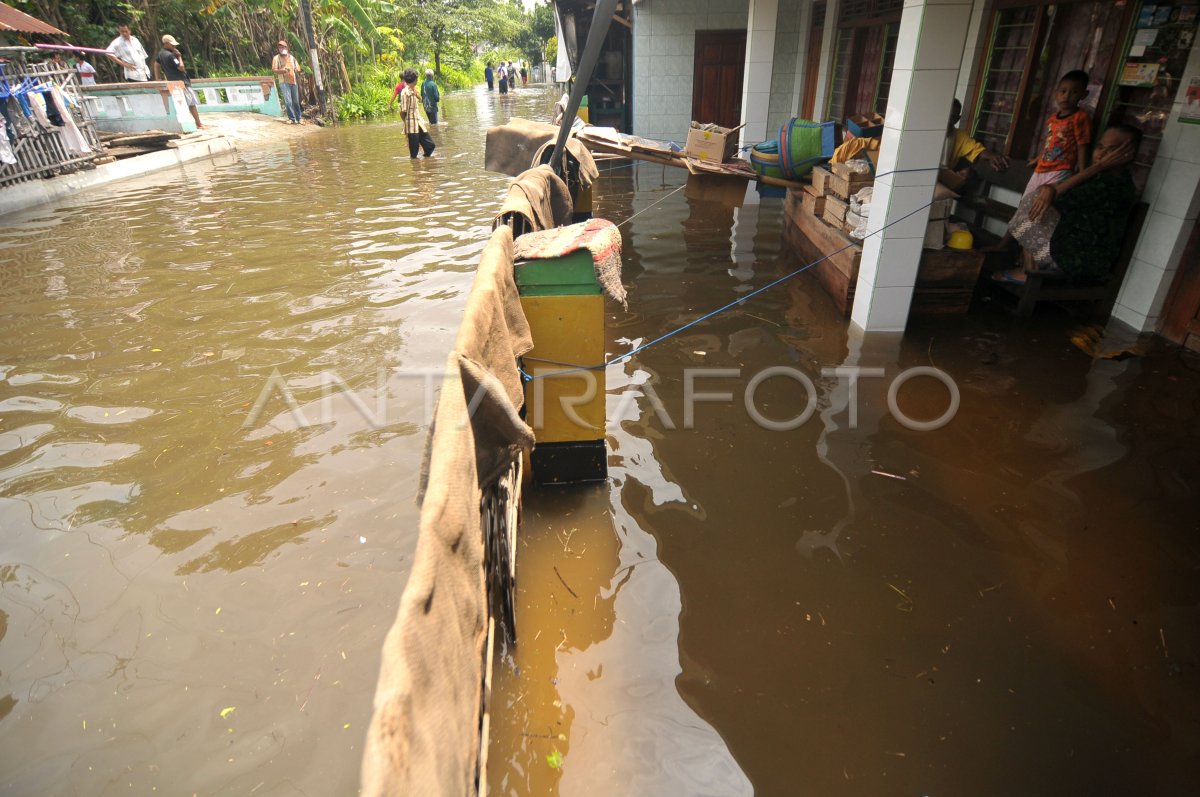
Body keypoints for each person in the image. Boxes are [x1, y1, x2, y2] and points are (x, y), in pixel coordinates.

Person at [993, 124, 1140, 285]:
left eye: (1112, 150)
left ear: (1127, 155)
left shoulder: (1114, 186)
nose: (1101, 154)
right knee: (1037, 201)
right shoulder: (1099, 177)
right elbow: (1049, 192)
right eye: (1100, 147)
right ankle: (1028, 269)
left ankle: (1029, 273)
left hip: (1082, 261)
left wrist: (1099, 166)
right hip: (1070, 246)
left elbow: (1056, 195)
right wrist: (1048, 189)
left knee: (1035, 202)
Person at [1024, 70, 1091, 197]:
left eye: (1074, 92)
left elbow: (1082, 145)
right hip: (1040, 169)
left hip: (1060, 170)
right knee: (1026, 202)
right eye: (1063, 91)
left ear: (1084, 95)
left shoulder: (1080, 117)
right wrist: (1037, 159)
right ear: (1056, 94)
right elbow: (1049, 143)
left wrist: (1082, 173)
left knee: (1042, 205)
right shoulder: (1052, 118)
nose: (1066, 96)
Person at [940, 98, 1008, 191]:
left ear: (956, 119)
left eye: (951, 117)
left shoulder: (959, 136)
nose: (946, 120)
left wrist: (992, 156)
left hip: (942, 184)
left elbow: (976, 149)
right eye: (944, 114)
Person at [154, 35, 203, 129]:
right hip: (182, 82)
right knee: (191, 103)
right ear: (166, 44)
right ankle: (198, 123)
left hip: (172, 82)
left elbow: (156, 64)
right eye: (172, 45)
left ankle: (189, 124)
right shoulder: (171, 55)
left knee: (180, 103)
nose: (174, 47)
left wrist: (158, 77)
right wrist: (179, 56)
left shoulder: (160, 54)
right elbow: (181, 67)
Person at [394, 68, 435, 159]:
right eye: (417, 78)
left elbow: (420, 99)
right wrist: (406, 122)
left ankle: (424, 163)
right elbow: (402, 111)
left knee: (430, 146)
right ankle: (417, 169)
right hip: (411, 125)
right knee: (414, 153)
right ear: (414, 80)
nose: (417, 80)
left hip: (418, 123)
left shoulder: (413, 90)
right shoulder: (405, 92)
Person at [272, 40, 303, 124]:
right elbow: (274, 70)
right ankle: (292, 118)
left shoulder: (292, 58)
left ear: (286, 48)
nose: (281, 49)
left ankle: (299, 118)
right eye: (279, 47)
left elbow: (298, 67)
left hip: (293, 81)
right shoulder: (276, 58)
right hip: (284, 82)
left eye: (283, 47)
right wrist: (283, 70)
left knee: (296, 101)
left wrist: (297, 69)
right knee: (288, 101)